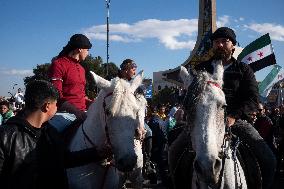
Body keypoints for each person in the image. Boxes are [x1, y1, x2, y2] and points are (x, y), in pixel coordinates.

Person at [194, 27, 276, 189]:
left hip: (236, 122)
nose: (220, 45)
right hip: (203, 123)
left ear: (233, 45)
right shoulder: (201, 68)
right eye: (217, 42)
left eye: (225, 41)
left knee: (269, 159)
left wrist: (233, 116)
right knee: (174, 151)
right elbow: (191, 95)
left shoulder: (244, 69)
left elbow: (253, 98)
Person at [0, 80, 111, 189]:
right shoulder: (5, 136)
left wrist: (96, 153)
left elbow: (63, 159)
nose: (57, 107)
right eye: (56, 104)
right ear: (47, 106)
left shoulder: (50, 132)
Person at [48, 34, 93, 132]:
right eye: (87, 50)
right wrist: (77, 112)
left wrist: (94, 103)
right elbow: (56, 96)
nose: (88, 53)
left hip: (84, 113)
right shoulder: (58, 64)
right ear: (80, 49)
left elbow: (81, 96)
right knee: (48, 134)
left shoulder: (82, 69)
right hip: (63, 114)